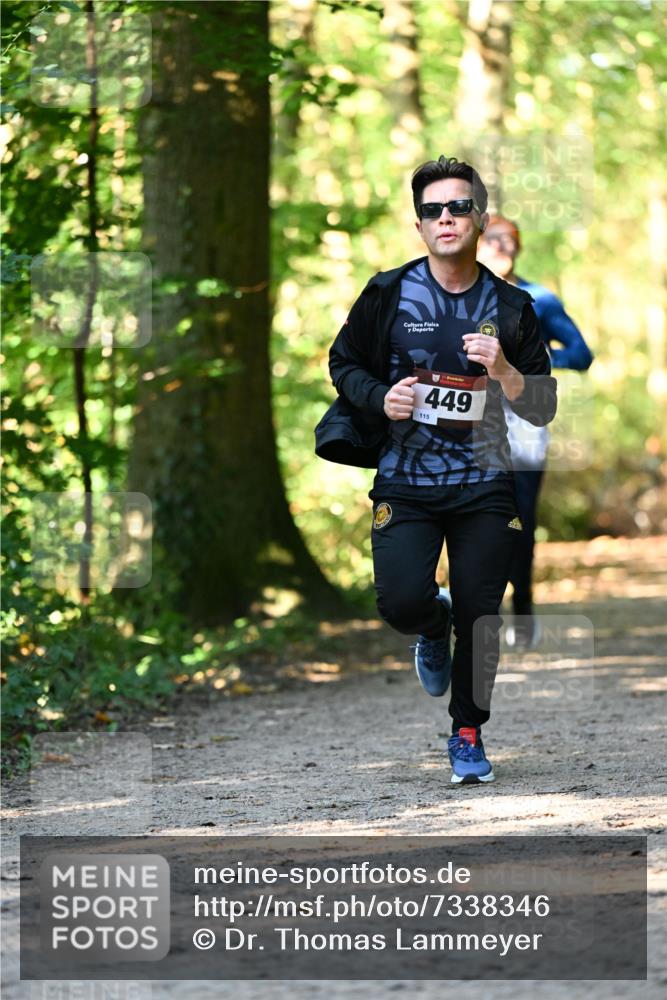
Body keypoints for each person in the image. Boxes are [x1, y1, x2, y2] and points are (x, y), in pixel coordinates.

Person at [315, 156, 557, 784]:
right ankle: (431, 622)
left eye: (458, 207)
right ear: (419, 224)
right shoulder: (388, 293)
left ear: (479, 218)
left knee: (483, 614)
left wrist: (504, 370)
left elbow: (543, 404)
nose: (445, 218)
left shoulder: (510, 306)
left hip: (484, 482)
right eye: (432, 210)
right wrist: (380, 397)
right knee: (399, 602)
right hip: (406, 480)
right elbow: (343, 365)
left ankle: (468, 733)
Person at [478, 217, 593, 649]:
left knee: (519, 517)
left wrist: (540, 361)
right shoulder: (463, 298)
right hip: (472, 419)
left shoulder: (539, 299)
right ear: (477, 246)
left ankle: (522, 611)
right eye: (492, 240)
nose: (501, 248)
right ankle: (479, 615)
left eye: (509, 242)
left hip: (525, 420)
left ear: (518, 248)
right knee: (476, 516)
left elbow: (582, 353)